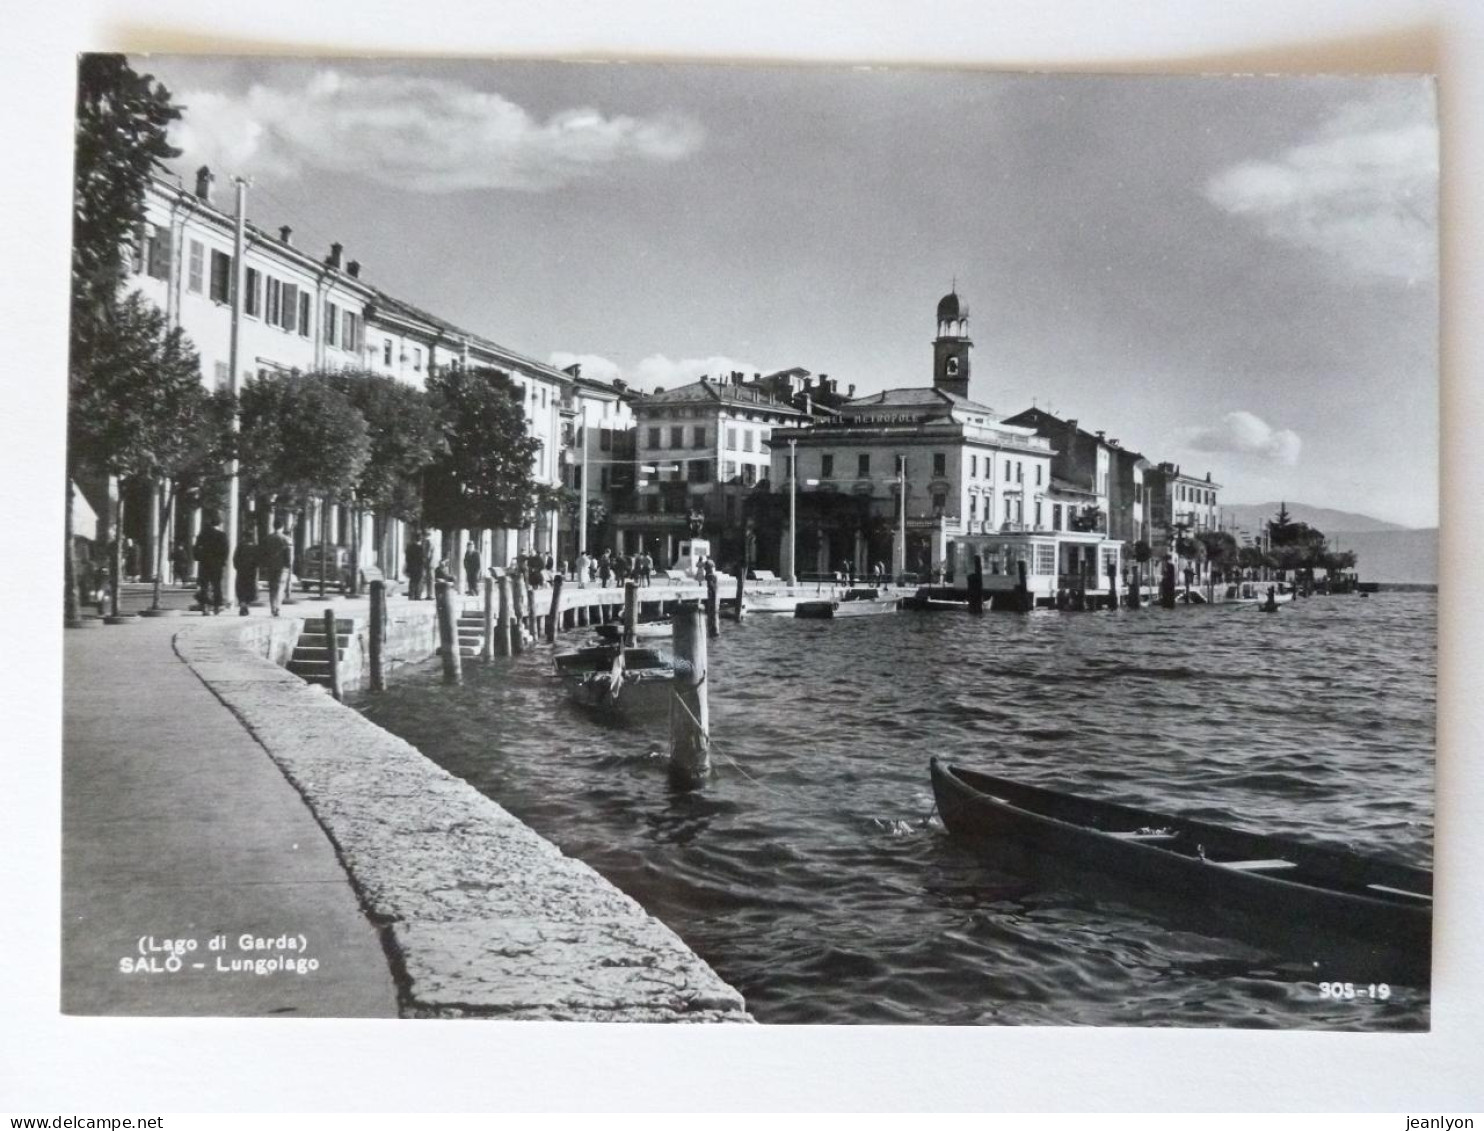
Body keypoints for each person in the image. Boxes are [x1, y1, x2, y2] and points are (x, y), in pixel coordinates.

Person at [193, 514, 228, 615]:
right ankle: (216, 606)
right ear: (219, 523)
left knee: (204, 586)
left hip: (204, 563)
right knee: (216, 586)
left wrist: (198, 558)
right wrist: (222, 562)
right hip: (217, 565)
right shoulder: (222, 535)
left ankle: (205, 607)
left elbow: (196, 548)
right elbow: (225, 551)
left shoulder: (203, 534)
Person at [260, 520, 293, 617]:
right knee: (280, 587)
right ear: (282, 527)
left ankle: (272, 607)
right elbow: (289, 554)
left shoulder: (267, 538)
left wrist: (264, 564)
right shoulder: (286, 539)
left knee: (272, 587)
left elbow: (263, 553)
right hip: (282, 567)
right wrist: (289, 565)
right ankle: (277, 607)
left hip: (270, 566)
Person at [233, 529, 259, 616]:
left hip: (241, 570)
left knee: (241, 588)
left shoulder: (240, 545)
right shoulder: (255, 546)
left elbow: (235, 557)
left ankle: (242, 604)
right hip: (251, 571)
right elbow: (257, 558)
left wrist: (237, 567)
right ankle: (246, 605)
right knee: (249, 588)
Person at [406, 534, 426, 601]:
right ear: (420, 539)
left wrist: (408, 566)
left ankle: (411, 595)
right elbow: (422, 558)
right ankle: (417, 595)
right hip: (419, 567)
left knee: (412, 581)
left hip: (411, 566)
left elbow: (407, 558)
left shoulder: (409, 547)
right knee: (418, 581)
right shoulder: (420, 548)